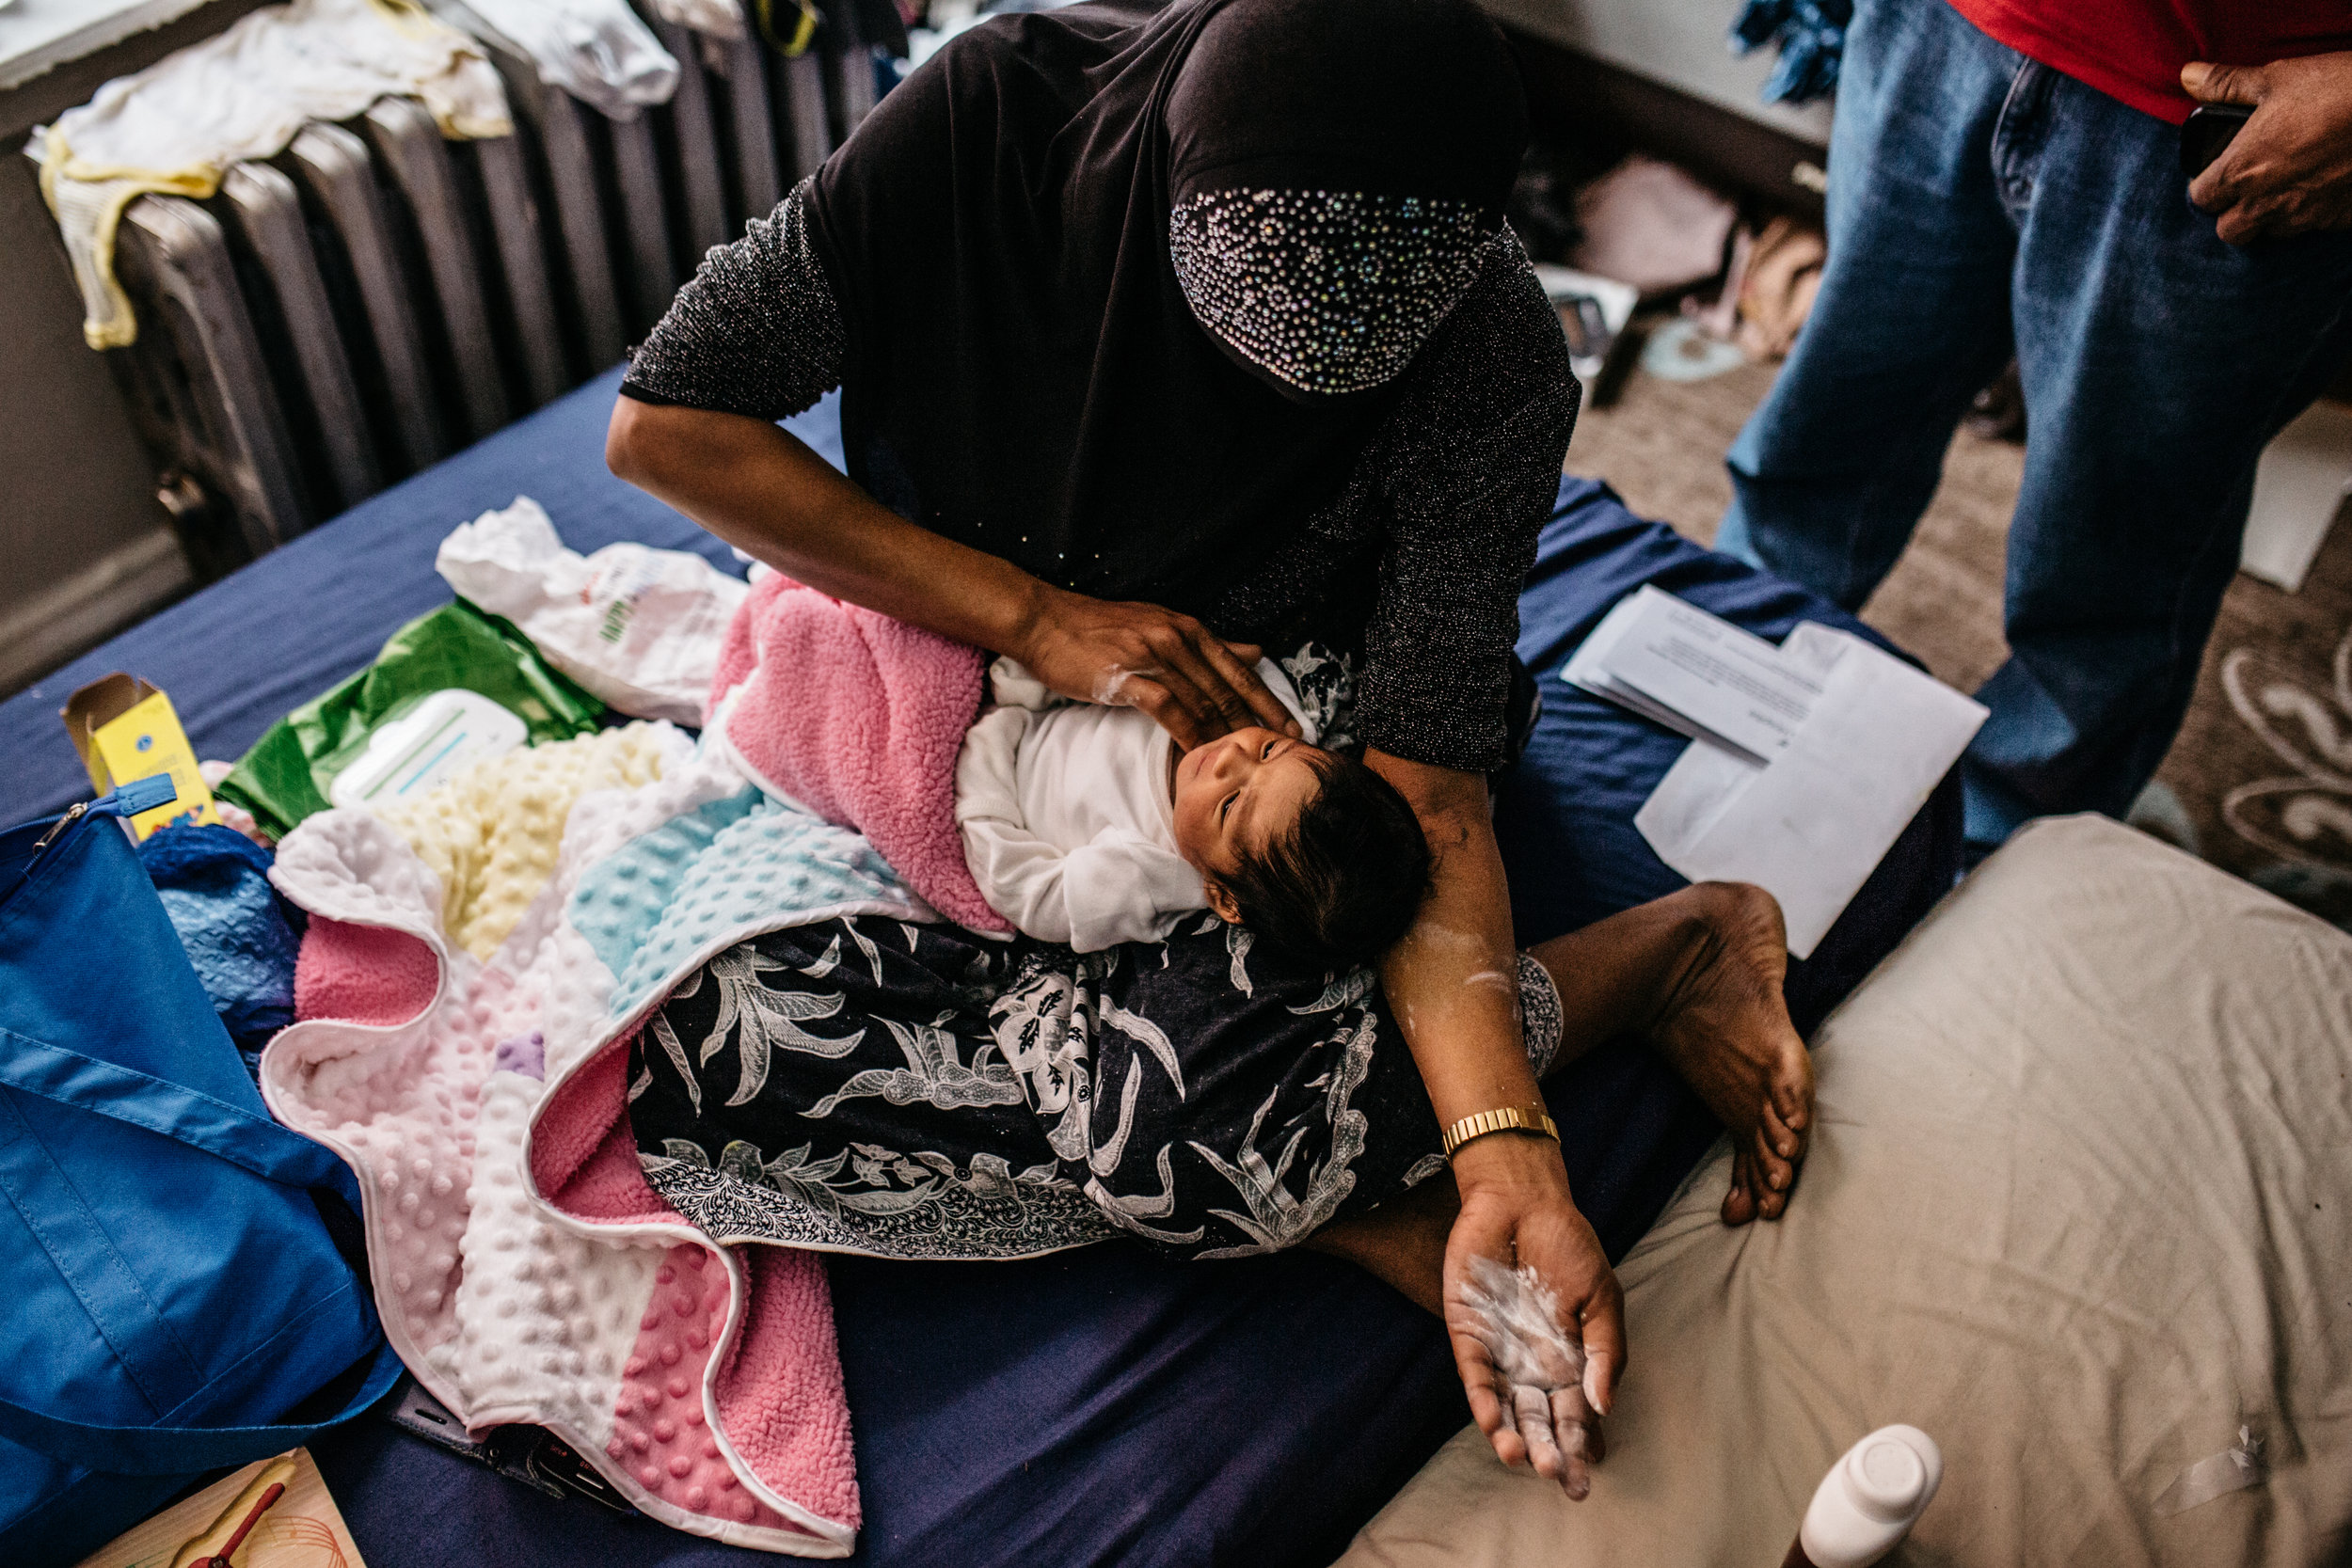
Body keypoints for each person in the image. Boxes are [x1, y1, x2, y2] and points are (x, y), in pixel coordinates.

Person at [609, 0, 1813, 1492]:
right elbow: (666, 426)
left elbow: (1425, 797)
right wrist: (1034, 615)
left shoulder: (1490, 348)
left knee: (1198, 1088)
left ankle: (1660, 958)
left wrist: (1511, 1148)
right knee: (705, 1058)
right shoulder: (991, 115)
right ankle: (1342, 1185)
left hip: (1295, 773)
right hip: (955, 688)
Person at [1715, 0, 2352, 862]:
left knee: (2108, 562)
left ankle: (1985, 872)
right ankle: (1705, 690)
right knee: (1819, 433)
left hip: (2229, 111)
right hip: (1940, 27)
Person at [957, 654, 1434, 963]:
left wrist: (982, 783)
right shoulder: (1272, 724)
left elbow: (1029, 894)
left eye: (1229, 805)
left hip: (993, 777)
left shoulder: (1148, 872)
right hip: (1030, 685)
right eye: (1268, 752)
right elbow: (1222, 666)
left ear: (1224, 897)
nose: (1231, 757)